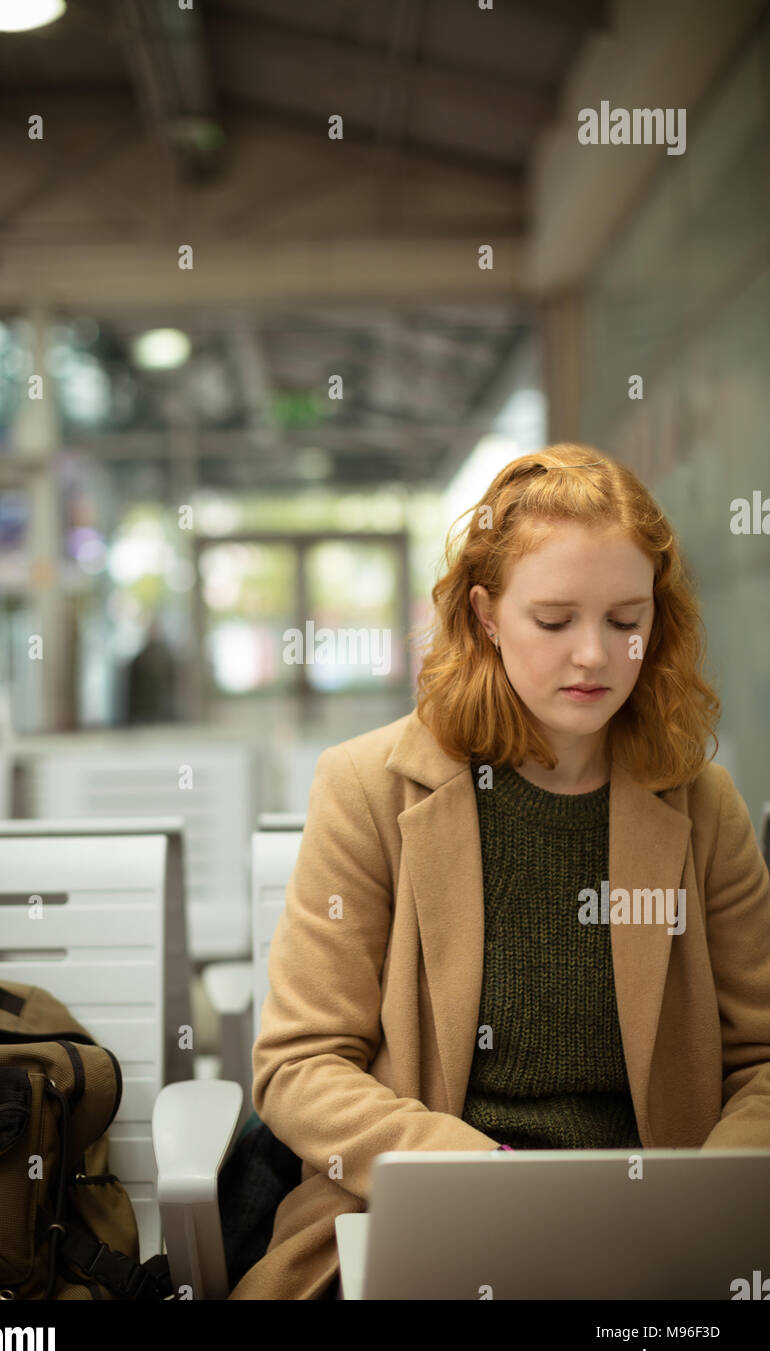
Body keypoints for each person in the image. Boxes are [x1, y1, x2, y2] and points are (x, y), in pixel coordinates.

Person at [227, 442, 770, 1300]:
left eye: (627, 622)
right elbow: (300, 1066)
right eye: (554, 622)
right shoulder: (369, 789)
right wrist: (491, 1180)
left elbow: (762, 1060)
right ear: (485, 615)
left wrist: (691, 1204)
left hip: (653, 1245)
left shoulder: (703, 805)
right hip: (424, 1220)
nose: (593, 655)